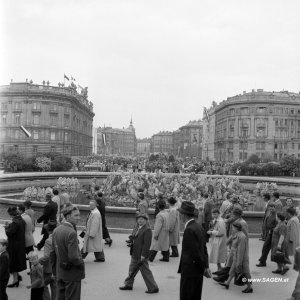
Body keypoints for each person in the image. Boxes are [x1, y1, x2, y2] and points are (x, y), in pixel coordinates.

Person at [51, 204, 85, 300]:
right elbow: (73, 257)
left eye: (79, 215)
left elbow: (52, 254)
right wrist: (81, 264)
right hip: (72, 274)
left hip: (60, 272)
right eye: (76, 215)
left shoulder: (56, 230)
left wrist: (55, 271)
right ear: (68, 217)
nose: (79, 218)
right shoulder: (71, 232)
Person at [178, 201, 211, 300]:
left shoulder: (189, 230)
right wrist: (205, 266)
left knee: (187, 296)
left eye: (180, 214)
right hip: (197, 270)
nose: (179, 216)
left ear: (183, 215)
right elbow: (203, 249)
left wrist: (203, 267)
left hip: (190, 271)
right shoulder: (198, 226)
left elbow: (194, 254)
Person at [119, 213, 159, 294]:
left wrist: (143, 255)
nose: (140, 221)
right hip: (135, 253)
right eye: (138, 219)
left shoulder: (147, 229)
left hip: (141, 254)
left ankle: (153, 287)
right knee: (132, 269)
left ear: (146, 220)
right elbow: (135, 237)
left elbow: (146, 244)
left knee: (145, 271)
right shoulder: (138, 227)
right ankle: (128, 285)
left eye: (142, 219)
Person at [219, 222, 253, 293]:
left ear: (236, 228)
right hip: (236, 257)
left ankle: (249, 288)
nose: (232, 229)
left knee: (244, 273)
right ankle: (227, 283)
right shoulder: (237, 235)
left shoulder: (241, 237)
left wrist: (239, 263)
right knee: (232, 271)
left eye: (233, 228)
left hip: (241, 259)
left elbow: (241, 251)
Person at [5, 206, 26, 288]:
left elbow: (9, 233)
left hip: (14, 245)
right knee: (16, 262)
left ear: (11, 215)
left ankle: (15, 280)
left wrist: (6, 228)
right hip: (20, 244)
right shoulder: (21, 220)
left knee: (12, 263)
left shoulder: (15, 223)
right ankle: (17, 277)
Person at [39, 220, 57, 300]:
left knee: (41, 285)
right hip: (57, 268)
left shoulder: (48, 241)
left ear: (48, 230)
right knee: (55, 288)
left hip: (49, 268)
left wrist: (38, 262)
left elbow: (46, 257)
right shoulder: (59, 237)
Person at [257, 202, 277, 267]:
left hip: (273, 234)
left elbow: (278, 226)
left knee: (269, 249)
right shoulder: (269, 213)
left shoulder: (276, 216)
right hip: (268, 233)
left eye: (272, 208)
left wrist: (271, 230)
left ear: (275, 208)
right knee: (265, 248)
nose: (271, 209)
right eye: (270, 208)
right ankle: (262, 261)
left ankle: (283, 265)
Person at [18, 204, 35, 270]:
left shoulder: (22, 218)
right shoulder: (27, 216)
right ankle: (32, 268)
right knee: (31, 255)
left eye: (17, 209)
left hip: (25, 240)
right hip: (30, 238)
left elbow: (21, 230)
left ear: (20, 210)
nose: (16, 210)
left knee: (28, 255)